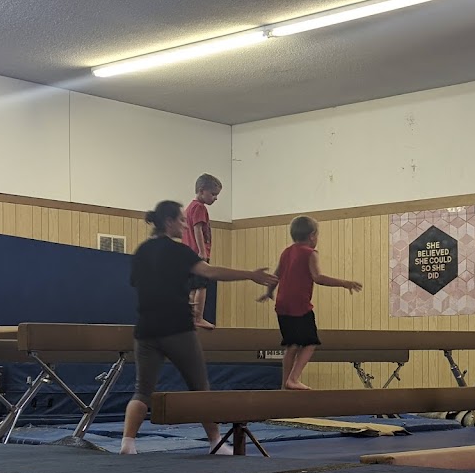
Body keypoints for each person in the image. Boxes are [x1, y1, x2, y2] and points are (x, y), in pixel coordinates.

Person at [120, 200, 277, 456]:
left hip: (146, 329)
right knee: (200, 388)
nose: (185, 226)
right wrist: (250, 274)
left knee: (142, 390)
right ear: (169, 221)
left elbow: (139, 284)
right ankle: (215, 441)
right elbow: (210, 272)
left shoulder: (142, 251)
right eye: (182, 220)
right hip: (177, 328)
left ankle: (127, 443)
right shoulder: (178, 251)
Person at [258, 215, 362, 390]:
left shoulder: (287, 252)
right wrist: (345, 283)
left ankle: (285, 385)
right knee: (310, 342)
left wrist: (269, 293)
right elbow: (318, 277)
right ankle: (293, 379)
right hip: (299, 306)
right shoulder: (310, 253)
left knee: (292, 345)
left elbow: (275, 276)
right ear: (312, 235)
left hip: (282, 305)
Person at [182, 173, 223, 329]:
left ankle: (190, 317)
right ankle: (198, 317)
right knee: (201, 286)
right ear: (201, 191)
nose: (215, 198)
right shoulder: (199, 207)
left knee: (192, 288)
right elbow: (197, 229)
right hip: (197, 253)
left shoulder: (189, 207)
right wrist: (202, 251)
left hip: (188, 253)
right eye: (213, 194)